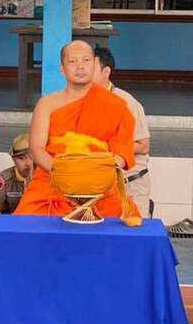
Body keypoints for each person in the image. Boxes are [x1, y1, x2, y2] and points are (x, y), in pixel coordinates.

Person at [14, 40, 139, 220]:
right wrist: (66, 175)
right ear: (62, 69)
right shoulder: (47, 104)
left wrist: (93, 177)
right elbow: (36, 150)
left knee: (119, 224)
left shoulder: (115, 105)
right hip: (54, 181)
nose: (80, 66)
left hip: (99, 185)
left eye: (86, 60)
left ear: (94, 65)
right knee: (27, 223)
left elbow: (121, 151)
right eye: (72, 61)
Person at [94, 46, 153, 217]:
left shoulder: (127, 102)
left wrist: (105, 147)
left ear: (106, 72)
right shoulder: (80, 100)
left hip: (130, 186)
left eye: (91, 69)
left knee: (133, 231)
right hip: (99, 187)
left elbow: (143, 145)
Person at [0, 133, 33, 214]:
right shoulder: (4, 178)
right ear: (13, 159)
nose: (28, 163)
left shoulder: (46, 178)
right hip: (11, 220)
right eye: (21, 158)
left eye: (31, 157)